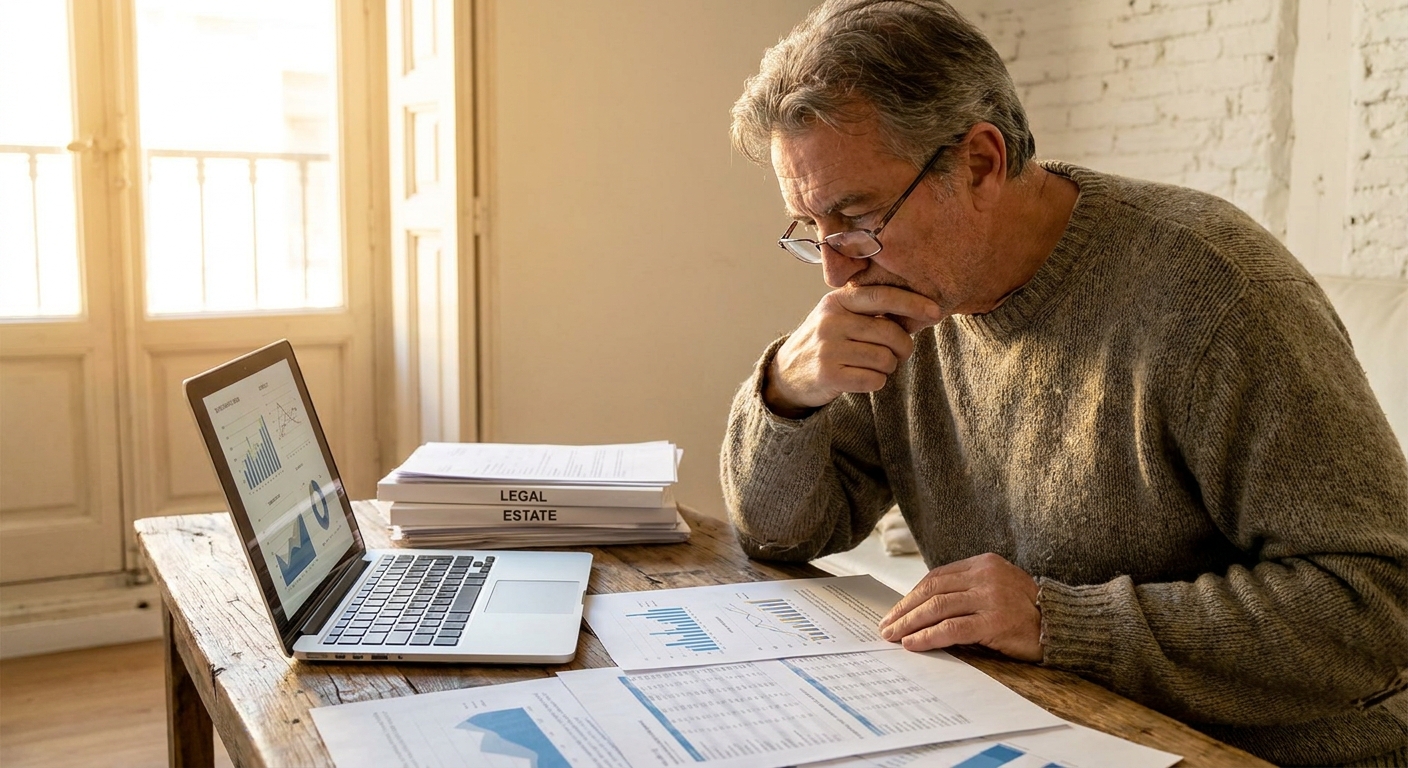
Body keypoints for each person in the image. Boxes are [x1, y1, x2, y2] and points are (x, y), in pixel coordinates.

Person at [719, 1, 1408, 765]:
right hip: (1044, 723)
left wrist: (1059, 622)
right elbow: (782, 532)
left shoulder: (1216, 293)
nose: (835, 268)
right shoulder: (904, 296)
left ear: (979, 163)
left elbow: (1375, 608)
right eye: (810, 229)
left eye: (857, 217)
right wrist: (787, 390)